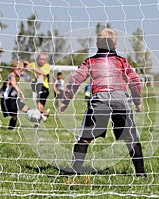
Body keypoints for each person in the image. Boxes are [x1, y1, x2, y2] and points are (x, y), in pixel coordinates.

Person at [59, 28, 146, 177]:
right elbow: (135, 80)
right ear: (116, 45)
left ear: (97, 43)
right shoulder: (122, 61)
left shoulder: (90, 61)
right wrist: (137, 101)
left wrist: (66, 101)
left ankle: (74, 172)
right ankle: (141, 173)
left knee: (85, 138)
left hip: (100, 99)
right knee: (131, 138)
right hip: (121, 100)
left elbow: (74, 80)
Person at [0, 61, 48, 130]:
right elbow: (13, 85)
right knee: (14, 115)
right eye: (21, 71)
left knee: (27, 109)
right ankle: (10, 129)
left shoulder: (16, 74)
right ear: (15, 69)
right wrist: (21, 93)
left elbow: (42, 73)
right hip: (7, 99)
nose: (22, 73)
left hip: (13, 98)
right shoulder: (11, 75)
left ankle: (39, 116)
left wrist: (29, 66)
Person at [24, 52, 51, 127]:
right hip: (35, 87)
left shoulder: (47, 66)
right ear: (37, 59)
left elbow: (42, 73)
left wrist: (33, 68)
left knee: (40, 105)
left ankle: (40, 118)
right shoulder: (33, 64)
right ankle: (42, 116)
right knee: (39, 106)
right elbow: (27, 68)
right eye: (40, 59)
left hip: (43, 87)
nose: (42, 61)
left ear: (46, 61)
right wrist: (25, 64)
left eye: (44, 59)